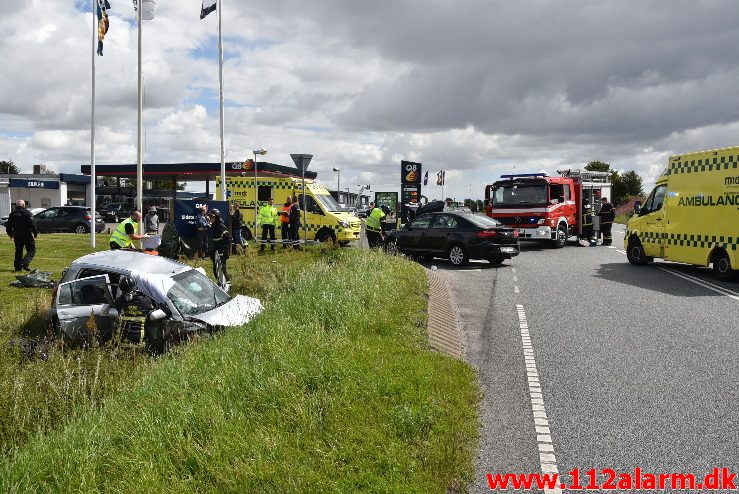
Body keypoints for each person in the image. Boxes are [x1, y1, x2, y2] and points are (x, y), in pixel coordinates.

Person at [114, 275, 155, 347]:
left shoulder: (119, 302)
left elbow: (120, 303)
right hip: (138, 342)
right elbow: (152, 308)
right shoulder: (144, 301)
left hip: (123, 341)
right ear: (135, 287)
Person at [6, 199, 39, 272]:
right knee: (31, 250)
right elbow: (32, 224)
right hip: (26, 234)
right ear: (24, 205)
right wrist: (35, 233)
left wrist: (10, 234)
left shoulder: (12, 214)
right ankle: (25, 263)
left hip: (17, 235)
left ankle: (17, 267)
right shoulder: (27, 212)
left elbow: (8, 226)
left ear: (16, 205)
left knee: (18, 251)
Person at [208, 209, 231, 281]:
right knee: (216, 270)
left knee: (222, 269)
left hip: (222, 252)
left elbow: (228, 239)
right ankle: (220, 284)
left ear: (217, 218)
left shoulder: (221, 226)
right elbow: (214, 240)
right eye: (210, 217)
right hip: (215, 251)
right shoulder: (213, 226)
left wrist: (224, 252)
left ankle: (228, 285)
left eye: (212, 217)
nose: (210, 219)